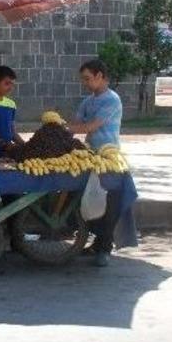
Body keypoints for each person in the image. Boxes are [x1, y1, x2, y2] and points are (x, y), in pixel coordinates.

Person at [68, 58, 123, 267]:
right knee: (87, 201)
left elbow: (91, 126)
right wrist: (59, 131)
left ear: (100, 76)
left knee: (109, 205)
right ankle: (95, 243)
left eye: (87, 78)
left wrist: (65, 128)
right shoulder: (88, 101)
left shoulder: (112, 100)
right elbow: (77, 123)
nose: (85, 83)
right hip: (89, 156)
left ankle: (104, 248)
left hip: (109, 158)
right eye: (83, 79)